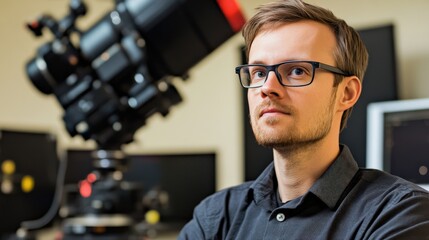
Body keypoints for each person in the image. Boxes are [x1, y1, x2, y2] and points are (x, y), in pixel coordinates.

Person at [179, 0, 429, 239]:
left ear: (346, 93)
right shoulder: (215, 217)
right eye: (258, 72)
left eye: (297, 70)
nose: (267, 87)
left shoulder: (399, 214)